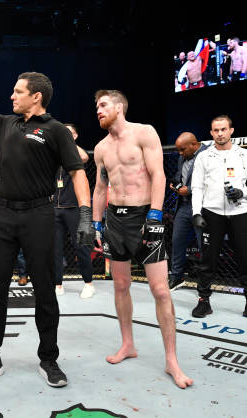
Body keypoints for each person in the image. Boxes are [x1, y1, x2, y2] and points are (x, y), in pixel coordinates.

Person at [0, 55, 94, 387]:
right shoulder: (5, 123)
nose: (11, 96)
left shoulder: (55, 130)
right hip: (3, 216)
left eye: (17, 91)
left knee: (44, 292)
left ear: (35, 96)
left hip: (40, 215)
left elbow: (77, 172)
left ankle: (49, 359)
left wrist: (85, 215)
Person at [91, 89, 192, 389]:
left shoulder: (144, 133)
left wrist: (156, 216)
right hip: (115, 220)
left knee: (160, 290)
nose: (98, 109)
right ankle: (128, 345)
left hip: (144, 216)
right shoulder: (100, 148)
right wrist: (96, 224)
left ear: (120, 106)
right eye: (96, 106)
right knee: (121, 285)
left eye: (103, 104)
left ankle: (172, 360)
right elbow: (99, 188)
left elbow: (158, 175)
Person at [190, 115, 247, 318]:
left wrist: (242, 193)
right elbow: (196, 187)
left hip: (240, 212)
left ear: (231, 130)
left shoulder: (243, 155)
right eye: (216, 130)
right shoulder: (204, 157)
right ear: (211, 132)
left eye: (223, 129)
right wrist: (196, 212)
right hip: (212, 213)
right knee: (207, 260)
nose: (220, 133)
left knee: (245, 258)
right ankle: (204, 301)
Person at [54, 123, 95, 298]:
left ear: (75, 136)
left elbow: (85, 157)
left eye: (69, 133)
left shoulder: (76, 153)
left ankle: (88, 283)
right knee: (54, 248)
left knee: (81, 246)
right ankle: (57, 284)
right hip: (54, 208)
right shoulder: (54, 153)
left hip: (74, 208)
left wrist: (67, 141)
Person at [167, 132, 208, 290]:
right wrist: (176, 185)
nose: (180, 153)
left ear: (194, 144)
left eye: (183, 149)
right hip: (183, 206)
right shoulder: (182, 156)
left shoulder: (208, 155)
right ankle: (176, 277)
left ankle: (205, 282)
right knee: (177, 242)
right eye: (179, 150)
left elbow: (211, 181)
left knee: (203, 245)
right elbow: (180, 175)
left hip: (202, 206)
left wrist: (189, 190)